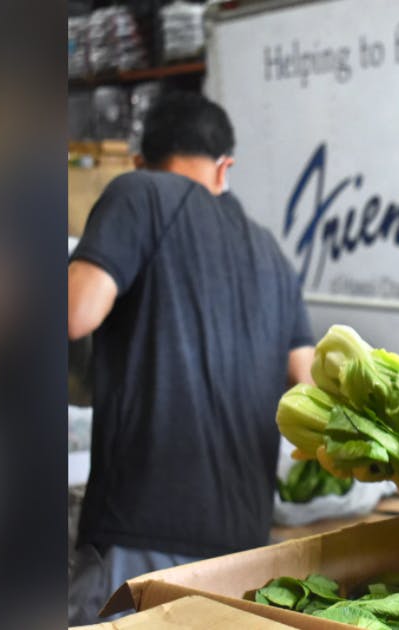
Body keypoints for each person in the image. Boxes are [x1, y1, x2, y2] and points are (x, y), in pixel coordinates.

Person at [66, 92, 316, 624]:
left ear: (140, 160)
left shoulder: (137, 192)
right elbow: (310, 381)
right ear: (225, 167)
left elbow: (77, 311)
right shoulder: (270, 249)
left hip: (143, 530)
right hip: (245, 545)